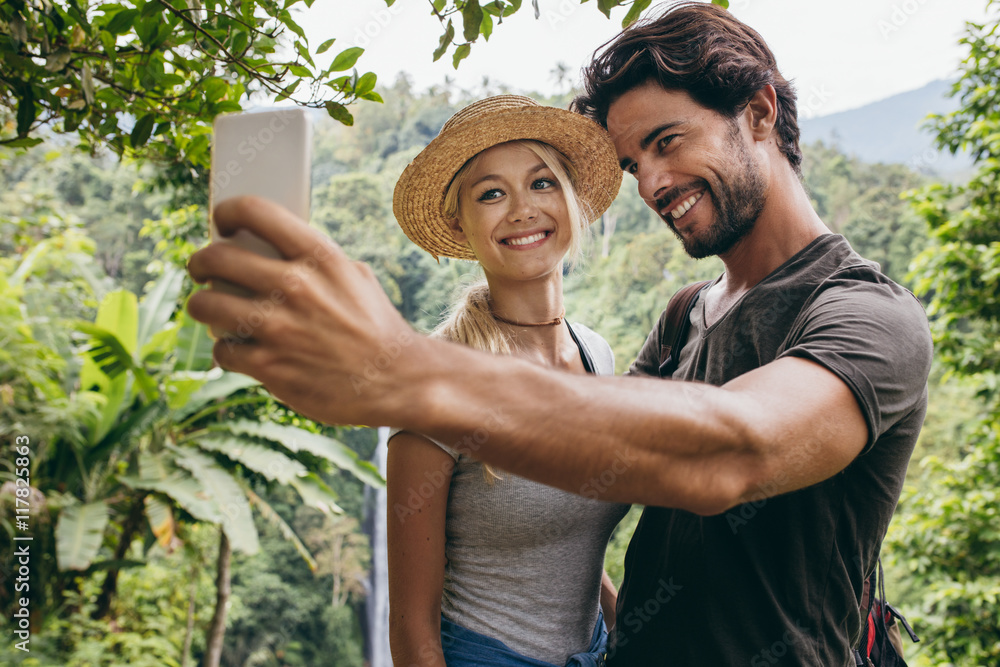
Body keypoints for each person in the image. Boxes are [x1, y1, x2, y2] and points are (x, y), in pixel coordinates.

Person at [186, 3, 933, 664]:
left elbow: (735, 449)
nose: (653, 184)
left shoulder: (867, 317)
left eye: (669, 141)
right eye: (633, 163)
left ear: (761, 112)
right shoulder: (684, 314)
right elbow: (599, 456)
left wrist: (407, 371)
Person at [385, 95, 629, 666]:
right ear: (457, 222)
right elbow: (411, 627)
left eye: (542, 184)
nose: (522, 210)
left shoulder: (597, 356)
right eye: (491, 194)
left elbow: (568, 552)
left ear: (574, 200)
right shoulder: (439, 386)